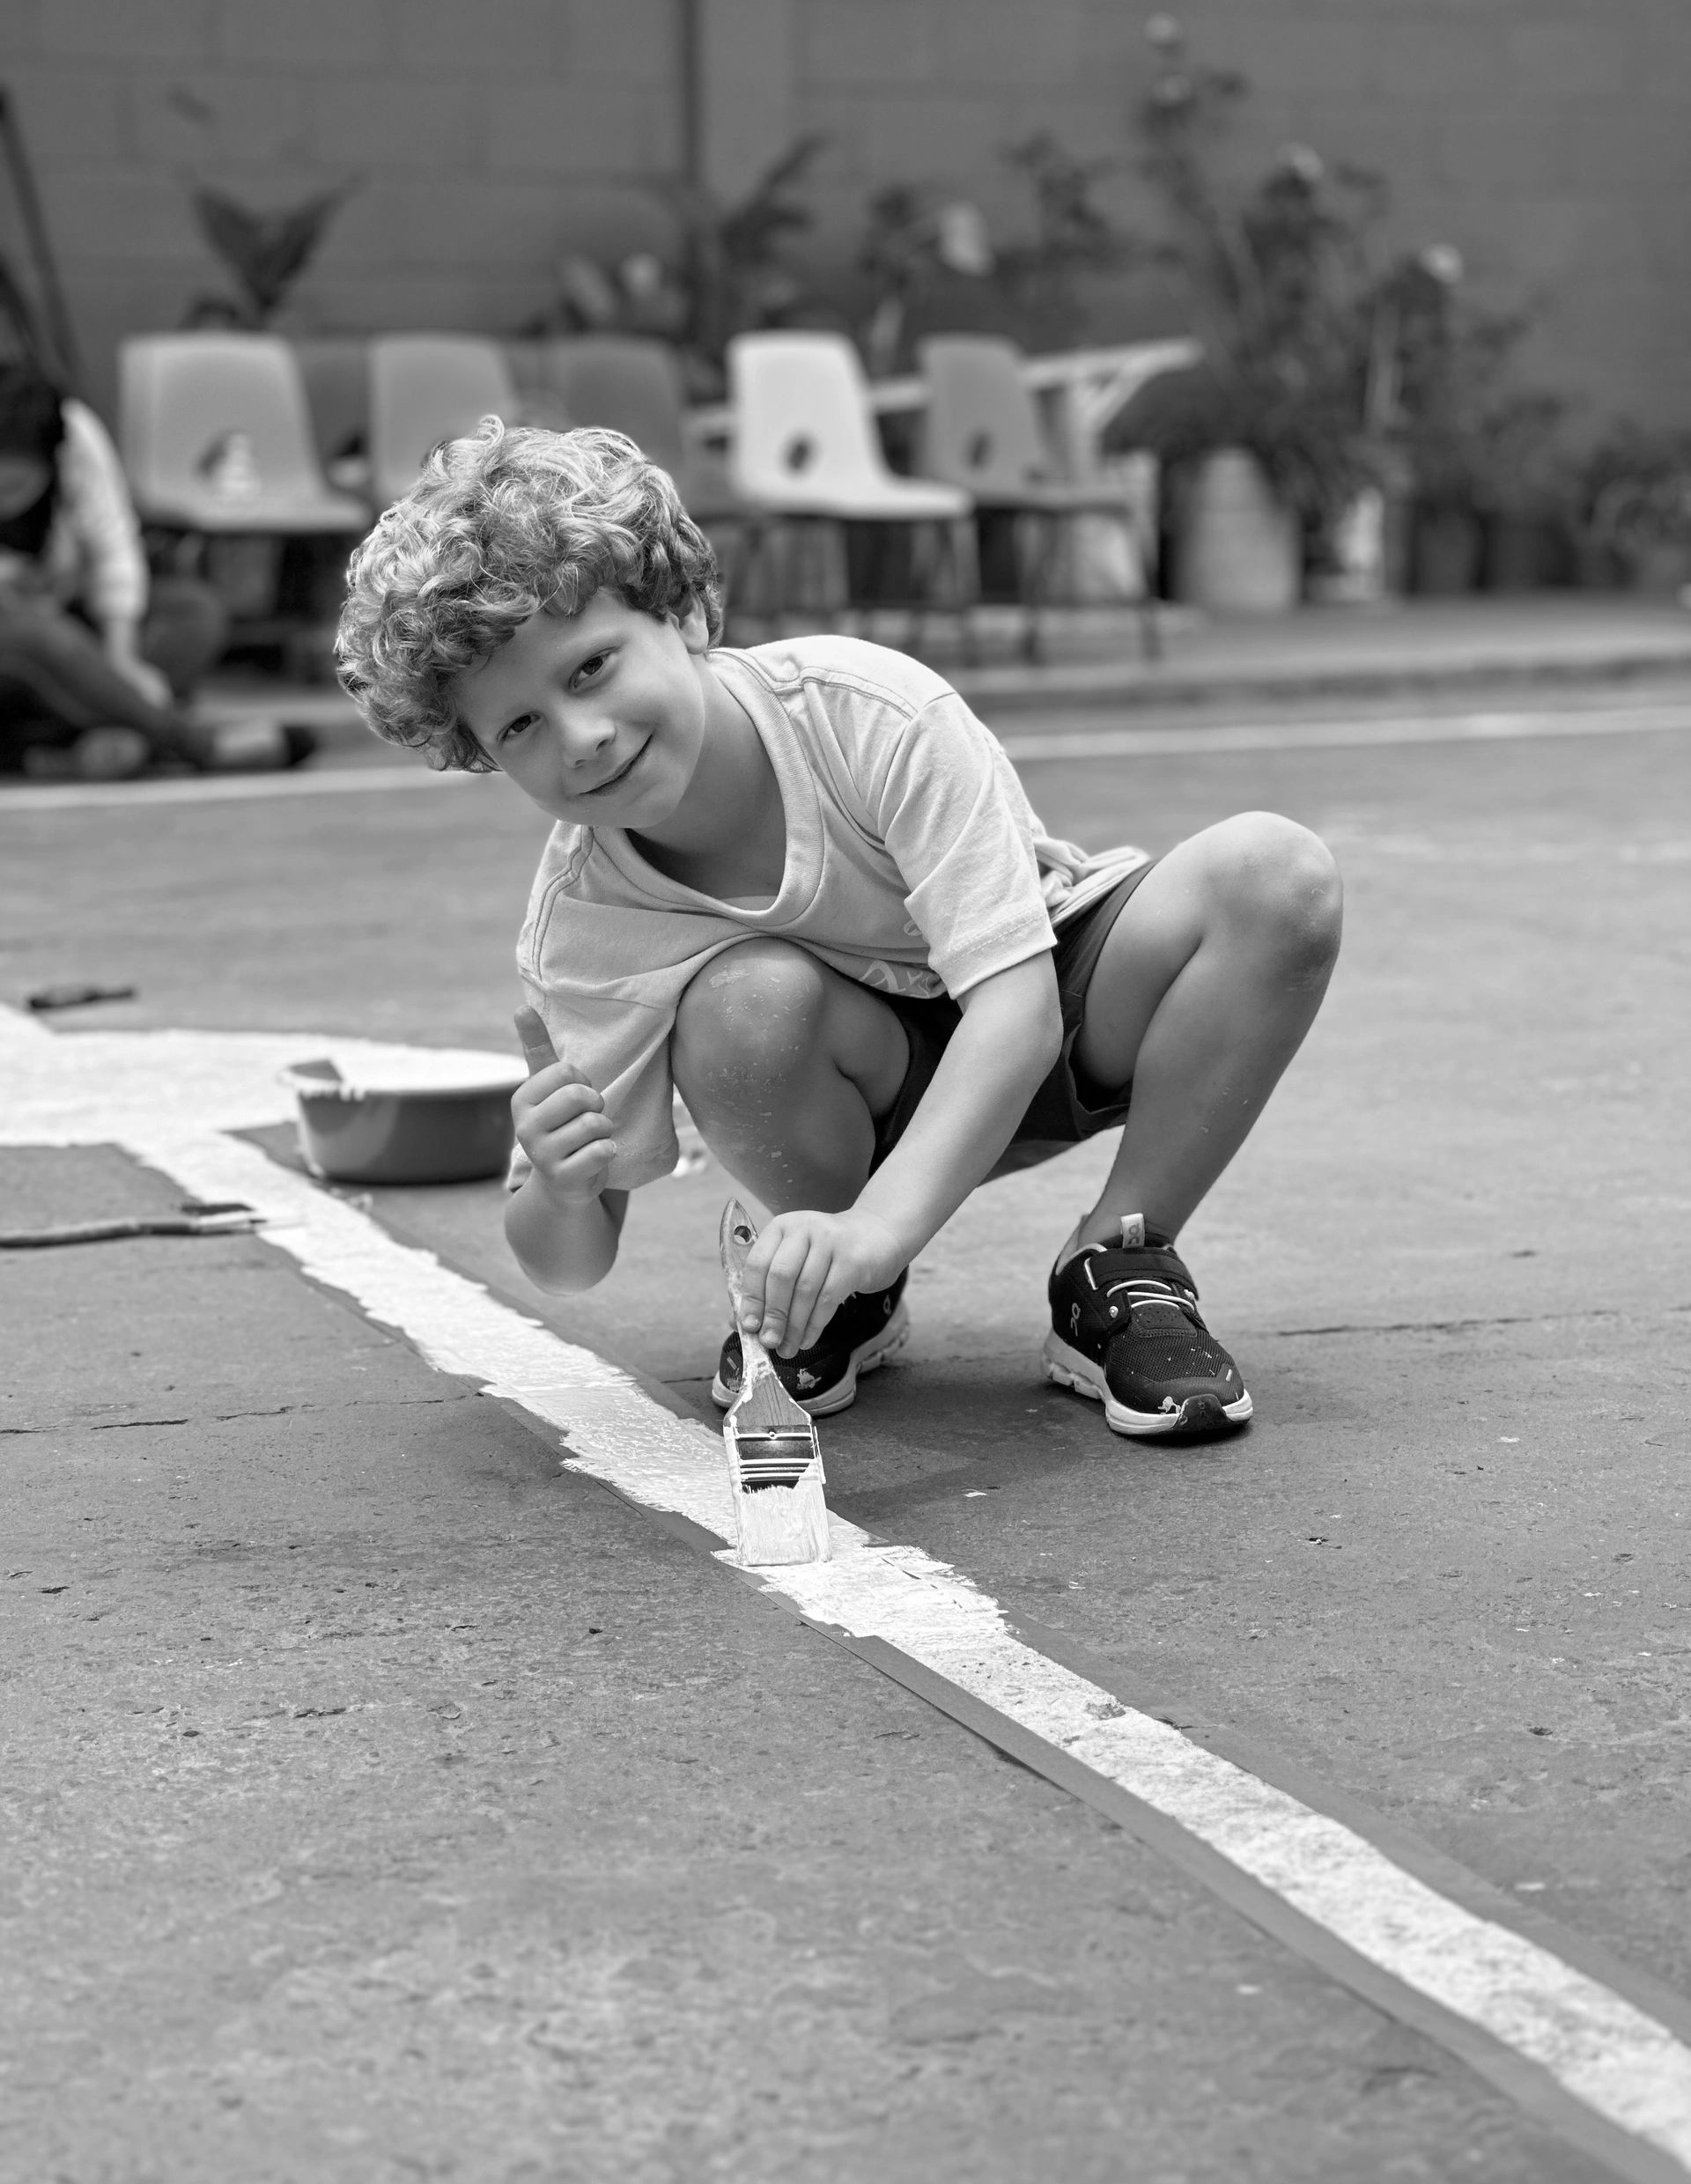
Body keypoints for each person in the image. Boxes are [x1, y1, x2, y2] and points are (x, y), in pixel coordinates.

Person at [337, 421, 1343, 1442]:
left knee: (1274, 873)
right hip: (863, 1101)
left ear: (680, 613)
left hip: (1052, 1020)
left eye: (592, 667)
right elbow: (570, 1257)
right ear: (481, 756)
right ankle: (837, 1287)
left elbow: (1019, 1009)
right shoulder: (587, 922)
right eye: (519, 728)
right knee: (741, 1004)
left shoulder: (869, 712)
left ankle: (1120, 1260)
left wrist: (882, 1225)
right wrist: (559, 1183)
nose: (581, 737)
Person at [0, 359, 228, 778]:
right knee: (33, 635)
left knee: (194, 612)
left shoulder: (73, 434)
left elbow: (114, 545)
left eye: (16, 488)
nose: (6, 502)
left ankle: (69, 740)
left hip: (76, 627)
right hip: (21, 646)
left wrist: (120, 657)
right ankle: (189, 743)